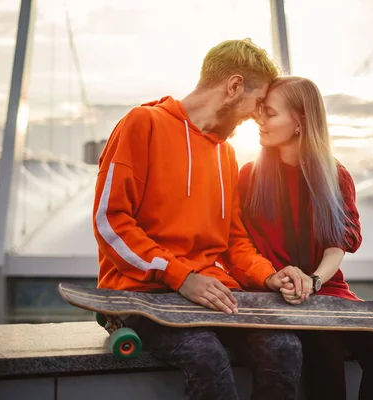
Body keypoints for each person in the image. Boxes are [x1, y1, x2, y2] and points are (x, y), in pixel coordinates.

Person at [92, 39, 304, 400]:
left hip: (210, 294)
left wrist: (268, 275)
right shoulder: (142, 124)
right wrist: (180, 276)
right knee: (205, 354)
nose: (256, 116)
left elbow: (235, 241)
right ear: (233, 86)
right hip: (144, 295)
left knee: (285, 347)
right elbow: (110, 222)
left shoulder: (226, 154)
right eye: (256, 104)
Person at [239, 76, 373, 400]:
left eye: (270, 113)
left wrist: (313, 282)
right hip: (274, 292)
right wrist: (282, 282)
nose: (260, 120)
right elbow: (240, 247)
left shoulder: (335, 175)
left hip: (325, 289)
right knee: (324, 342)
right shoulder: (249, 176)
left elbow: (336, 247)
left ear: (299, 120)